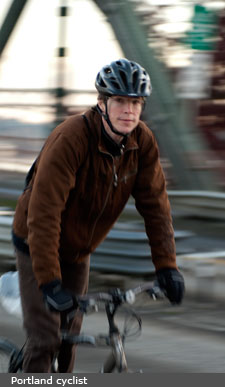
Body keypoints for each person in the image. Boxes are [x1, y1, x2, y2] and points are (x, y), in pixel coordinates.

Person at [12, 58, 185, 373]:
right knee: (47, 338)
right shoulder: (72, 138)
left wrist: (167, 267)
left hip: (78, 250)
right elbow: (44, 214)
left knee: (70, 338)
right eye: (119, 101)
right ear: (102, 103)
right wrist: (50, 282)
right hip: (35, 240)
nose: (128, 110)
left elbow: (156, 207)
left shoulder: (142, 142)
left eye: (135, 102)